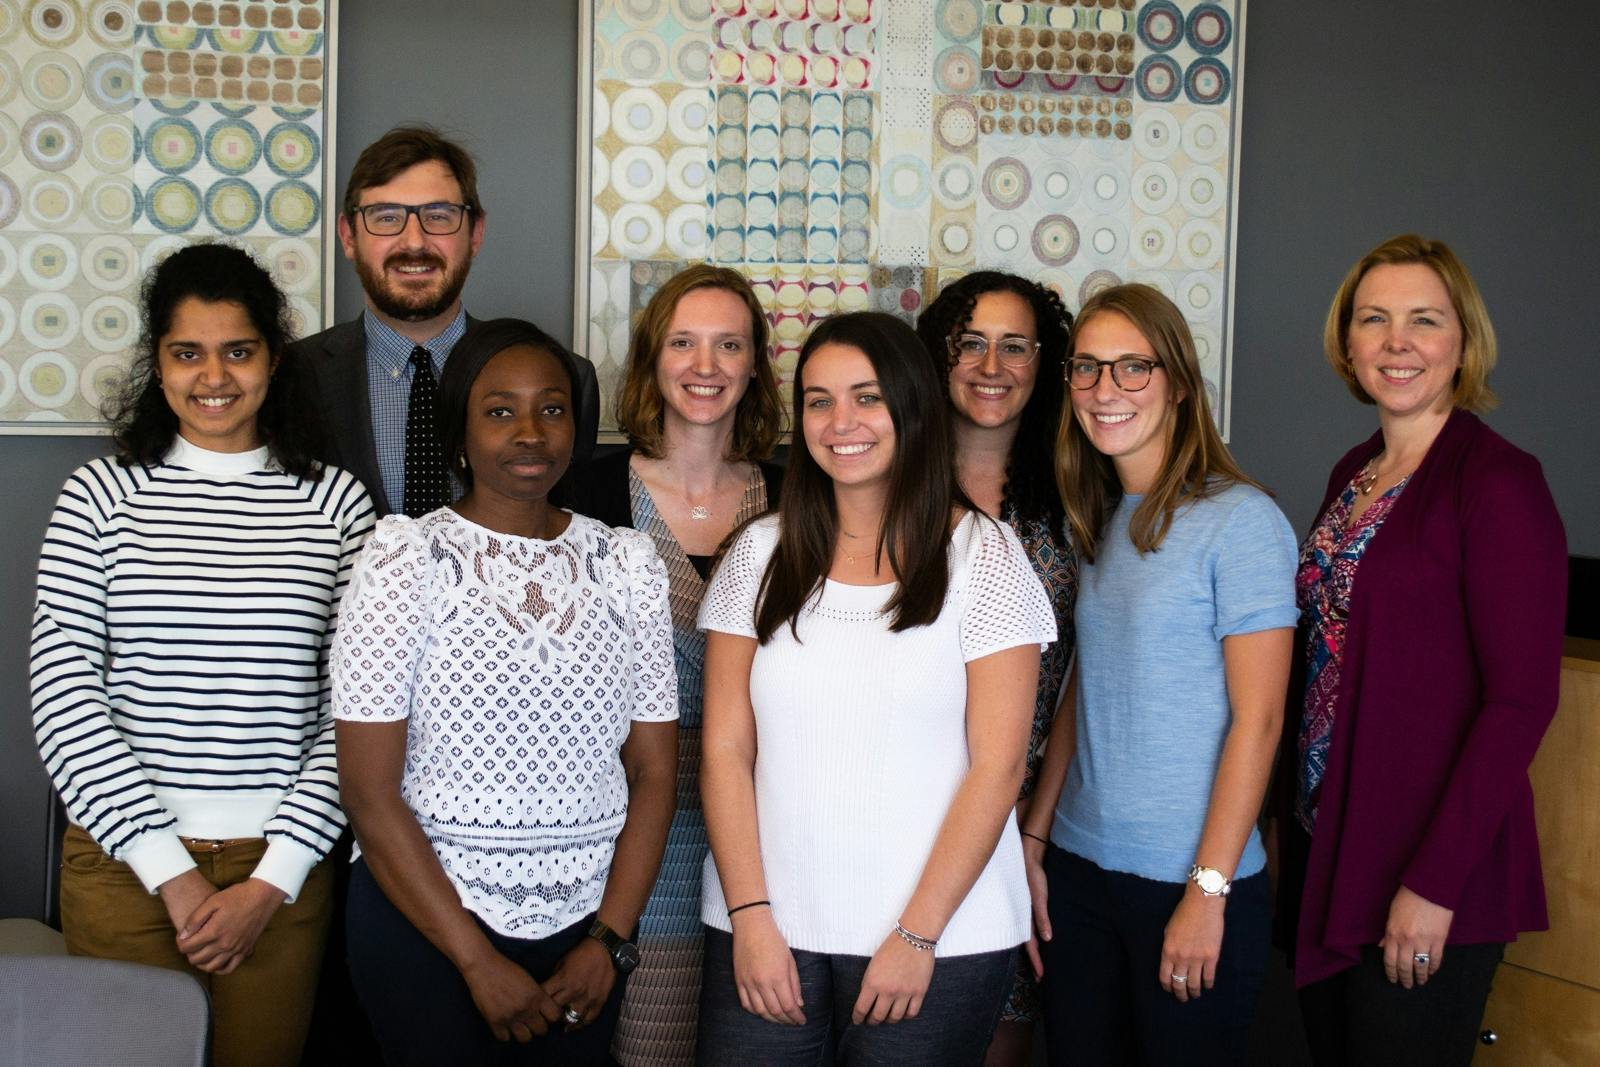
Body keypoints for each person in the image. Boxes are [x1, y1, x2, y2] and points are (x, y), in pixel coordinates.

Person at [30, 242, 375, 1067]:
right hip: (122, 867)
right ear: (157, 361)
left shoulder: (336, 504)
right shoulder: (101, 495)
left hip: (279, 872)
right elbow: (64, 695)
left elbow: (358, 710)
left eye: (237, 350)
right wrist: (169, 870)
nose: (212, 375)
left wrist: (276, 876)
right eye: (187, 352)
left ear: (273, 358)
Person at [697, 311, 1057, 1065]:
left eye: (867, 397)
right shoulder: (758, 553)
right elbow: (726, 750)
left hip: (940, 937)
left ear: (911, 406)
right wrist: (751, 916)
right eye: (820, 400)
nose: (841, 422)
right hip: (765, 930)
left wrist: (917, 934)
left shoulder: (983, 556)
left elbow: (998, 767)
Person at [332, 318, 679, 1066]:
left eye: (551, 408)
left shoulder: (626, 562)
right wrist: (474, 960)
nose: (530, 431)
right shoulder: (405, 557)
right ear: (459, 429)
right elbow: (367, 790)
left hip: (587, 927)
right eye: (499, 410)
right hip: (425, 927)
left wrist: (608, 942)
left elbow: (654, 771)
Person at [1276, 234, 1567, 1066]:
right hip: (1335, 846)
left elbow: (1520, 702)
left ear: (1462, 340)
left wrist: (1434, 884)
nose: (1397, 341)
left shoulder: (1500, 483)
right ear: (1348, 341)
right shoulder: (1355, 470)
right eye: (1374, 319)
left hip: (1428, 869)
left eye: (1424, 320)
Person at [1029, 284, 1296, 1065]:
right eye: (1087, 368)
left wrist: (1207, 892)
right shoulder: (1099, 517)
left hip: (1187, 881)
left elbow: (1262, 721)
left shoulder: (1241, 520)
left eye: (1132, 367)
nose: (1104, 390)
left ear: (1178, 381)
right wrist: (1036, 840)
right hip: (1080, 876)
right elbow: (1086, 688)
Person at [566, 264, 784, 1066]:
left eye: (729, 344)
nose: (706, 365)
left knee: (756, 1040)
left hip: (771, 830)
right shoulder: (586, 489)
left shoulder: (800, 497)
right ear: (652, 357)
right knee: (648, 1046)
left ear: (755, 362)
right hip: (636, 832)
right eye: (684, 342)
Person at [915, 271, 1077, 1066]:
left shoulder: (1080, 496)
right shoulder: (889, 486)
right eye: (969, 343)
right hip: (903, 809)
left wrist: (1033, 830)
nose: (991, 364)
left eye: (1015, 346)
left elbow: (1088, 676)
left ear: (1043, 363)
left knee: (999, 1037)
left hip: (1025, 817)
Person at [289, 125, 600, 518]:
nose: (415, 242)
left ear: (476, 233)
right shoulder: (291, 378)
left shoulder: (569, 380)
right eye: (386, 217)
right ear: (348, 236)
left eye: (439, 216)